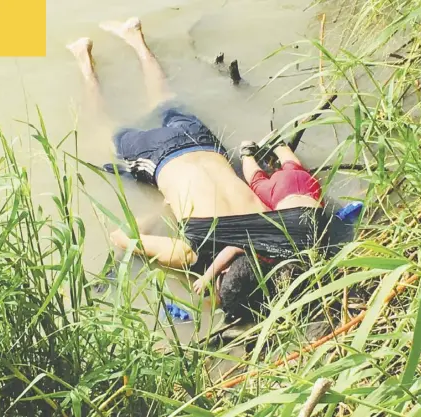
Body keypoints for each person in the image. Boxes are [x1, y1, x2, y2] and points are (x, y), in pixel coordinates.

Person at [68, 17, 328, 320]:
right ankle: (82, 59)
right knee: (105, 132)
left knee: (165, 101)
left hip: (205, 145)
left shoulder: (279, 228)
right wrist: (162, 209)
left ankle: (135, 38)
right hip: (160, 156)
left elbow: (298, 196)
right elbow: (121, 237)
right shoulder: (191, 254)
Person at [193, 139, 324, 295]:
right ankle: (247, 153)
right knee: (257, 181)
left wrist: (207, 277)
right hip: (282, 192)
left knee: (293, 168)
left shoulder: (312, 254)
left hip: (310, 188)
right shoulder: (272, 246)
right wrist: (207, 277)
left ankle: (280, 147)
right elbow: (233, 248)